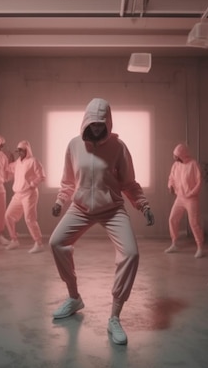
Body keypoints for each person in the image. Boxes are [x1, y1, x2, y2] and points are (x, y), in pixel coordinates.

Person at [49, 98, 155, 346]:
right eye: (93, 124)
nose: (96, 128)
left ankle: (115, 317)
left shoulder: (118, 147)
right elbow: (67, 181)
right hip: (80, 207)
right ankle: (74, 297)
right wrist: (60, 201)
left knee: (130, 253)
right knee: (56, 243)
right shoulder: (74, 145)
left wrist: (144, 205)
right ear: (86, 122)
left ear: (107, 121)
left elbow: (128, 183)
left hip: (112, 209)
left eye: (100, 124)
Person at [4, 140, 46, 253]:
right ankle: (14, 240)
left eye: (22, 150)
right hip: (18, 194)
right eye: (18, 151)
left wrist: (32, 185)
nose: (20, 152)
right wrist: (9, 157)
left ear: (27, 150)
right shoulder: (18, 162)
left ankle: (39, 243)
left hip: (29, 194)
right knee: (8, 216)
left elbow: (42, 176)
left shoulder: (33, 161)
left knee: (29, 219)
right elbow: (9, 168)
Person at [165, 143, 205, 258]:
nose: (175, 158)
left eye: (176, 155)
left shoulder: (193, 164)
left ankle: (200, 247)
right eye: (174, 155)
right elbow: (171, 178)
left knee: (194, 223)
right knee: (172, 219)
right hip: (180, 197)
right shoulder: (176, 165)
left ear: (182, 155)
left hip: (191, 199)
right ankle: (174, 243)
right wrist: (171, 186)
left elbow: (199, 182)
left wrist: (191, 193)